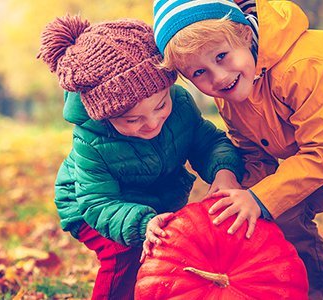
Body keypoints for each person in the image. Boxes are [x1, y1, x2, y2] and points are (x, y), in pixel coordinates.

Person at [152, 0, 323, 298]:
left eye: (222, 56)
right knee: (281, 213)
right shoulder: (230, 95)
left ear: (245, 35)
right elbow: (254, 156)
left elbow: (322, 150)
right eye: (199, 73)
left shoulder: (300, 67)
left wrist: (258, 197)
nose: (218, 77)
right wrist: (234, 187)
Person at [38, 15, 244, 299]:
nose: (152, 123)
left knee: (169, 255)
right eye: (133, 120)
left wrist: (224, 172)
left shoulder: (180, 104)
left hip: (152, 197)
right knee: (124, 255)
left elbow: (208, 142)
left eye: (161, 105)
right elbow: (97, 202)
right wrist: (141, 223)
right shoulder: (92, 140)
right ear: (107, 116)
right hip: (92, 206)